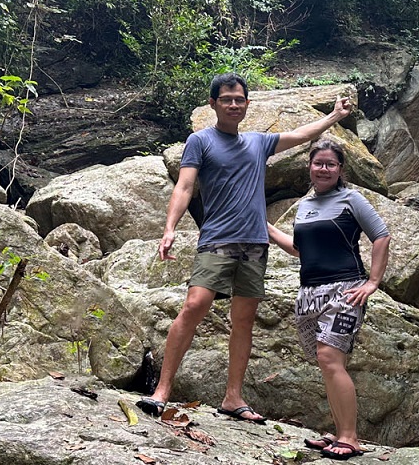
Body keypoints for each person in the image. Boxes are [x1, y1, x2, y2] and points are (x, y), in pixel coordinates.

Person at [136, 73, 352, 423]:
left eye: (239, 99)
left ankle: (233, 397)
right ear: (213, 104)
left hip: (254, 243)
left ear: (247, 103)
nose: (234, 105)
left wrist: (334, 116)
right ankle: (161, 391)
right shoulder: (200, 141)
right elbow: (185, 186)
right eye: (226, 99)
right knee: (194, 305)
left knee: (244, 321)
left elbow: (301, 136)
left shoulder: (258, 143)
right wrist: (170, 228)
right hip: (217, 238)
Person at [267, 139, 390, 459]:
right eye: (318, 163)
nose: (323, 169)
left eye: (330, 164)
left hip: (345, 290)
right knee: (328, 363)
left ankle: (350, 437)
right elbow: (298, 249)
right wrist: (267, 228)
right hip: (309, 292)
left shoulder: (351, 199)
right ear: (309, 166)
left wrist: (373, 281)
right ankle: (339, 431)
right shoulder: (305, 205)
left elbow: (382, 236)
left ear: (340, 169)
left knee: (330, 359)